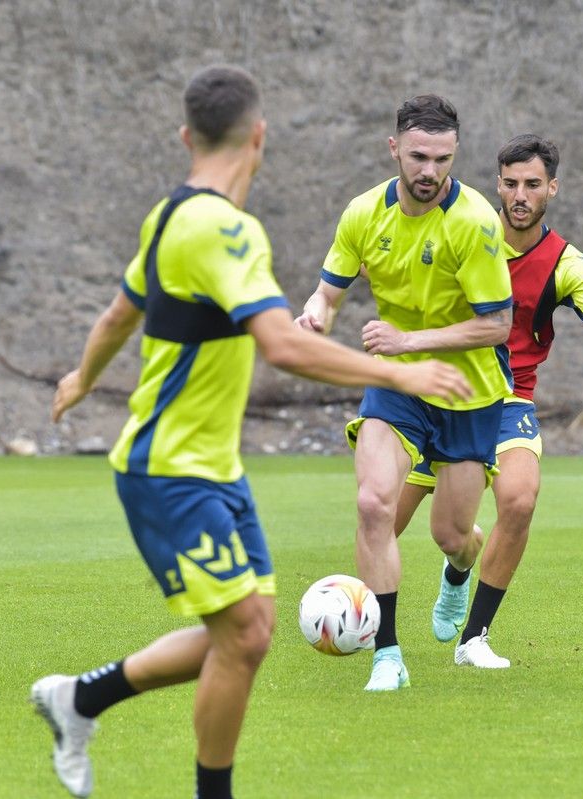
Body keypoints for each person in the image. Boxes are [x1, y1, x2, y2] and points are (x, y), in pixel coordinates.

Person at [30, 66, 470, 799]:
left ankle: (80, 699)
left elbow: (118, 314)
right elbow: (284, 344)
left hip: (213, 467)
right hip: (168, 466)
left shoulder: (169, 214)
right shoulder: (225, 229)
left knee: (250, 632)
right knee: (241, 634)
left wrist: (80, 378)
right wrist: (403, 374)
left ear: (184, 137)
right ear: (259, 137)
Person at [394, 134, 583, 668]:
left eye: (531, 184)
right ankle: (445, 577)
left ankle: (473, 638)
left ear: (553, 188)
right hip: (436, 395)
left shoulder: (566, 263)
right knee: (392, 524)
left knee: (520, 501)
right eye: (509, 183)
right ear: (497, 185)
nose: (519, 195)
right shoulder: (462, 231)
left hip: (506, 402)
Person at [295, 95, 513, 691]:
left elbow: (498, 324)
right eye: (418, 156)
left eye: (443, 159)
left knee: (454, 535)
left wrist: (409, 338)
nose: (430, 171)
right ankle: (386, 652)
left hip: (467, 390)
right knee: (373, 504)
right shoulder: (363, 214)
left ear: (454, 156)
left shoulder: (473, 222)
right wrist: (313, 315)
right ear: (394, 148)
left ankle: (456, 572)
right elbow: (329, 293)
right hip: (395, 385)